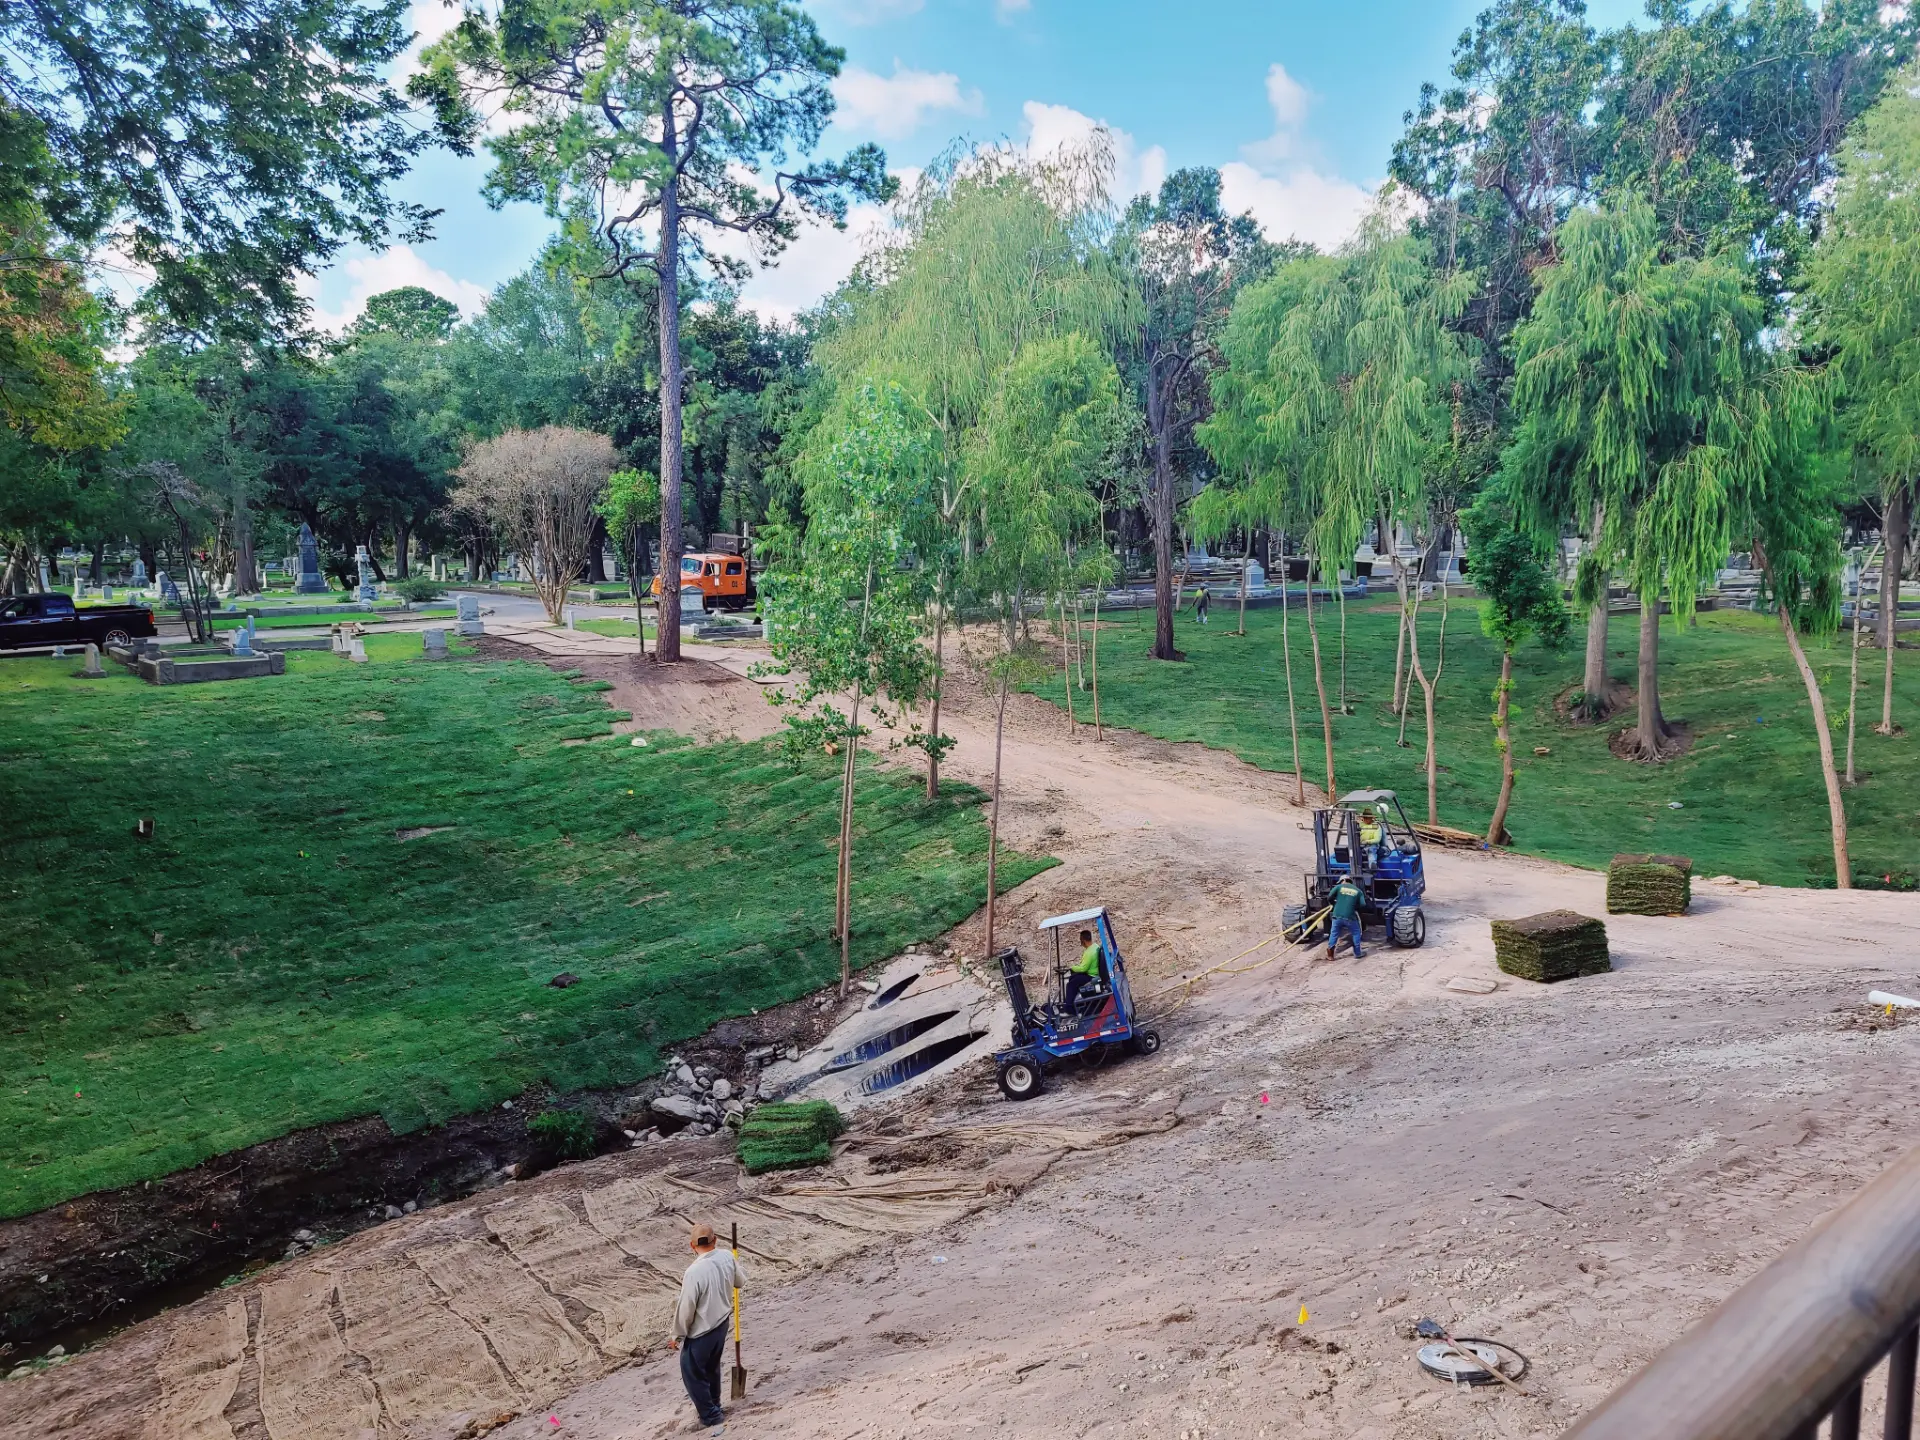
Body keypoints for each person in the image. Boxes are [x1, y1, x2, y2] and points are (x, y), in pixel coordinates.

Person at [671, 1222, 741, 1431]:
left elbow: (686, 1308)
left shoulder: (694, 1271)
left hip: (703, 1331)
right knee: (711, 1367)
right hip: (722, 1324)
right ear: (715, 1240)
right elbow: (741, 1281)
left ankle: (711, 1416)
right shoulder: (727, 1256)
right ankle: (715, 1405)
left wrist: (677, 1334)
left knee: (692, 1370)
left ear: (692, 1246)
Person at [1326, 874, 1365, 960]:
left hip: (1337, 916)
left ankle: (1330, 955)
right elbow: (1363, 904)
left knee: (1334, 934)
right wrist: (1354, 907)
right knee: (1356, 933)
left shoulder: (1339, 887)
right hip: (1350, 917)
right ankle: (1358, 953)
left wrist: (1334, 904)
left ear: (1342, 880)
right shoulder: (1358, 891)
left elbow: (1329, 897)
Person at [1065, 927, 1104, 1011]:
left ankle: (1069, 1009)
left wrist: (1072, 967)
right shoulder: (1095, 946)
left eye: (1080, 940)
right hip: (1094, 973)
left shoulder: (1089, 952)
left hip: (1091, 976)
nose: (1080, 942)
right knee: (1073, 978)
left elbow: (1083, 968)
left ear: (1083, 940)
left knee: (1071, 984)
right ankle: (1074, 1001)